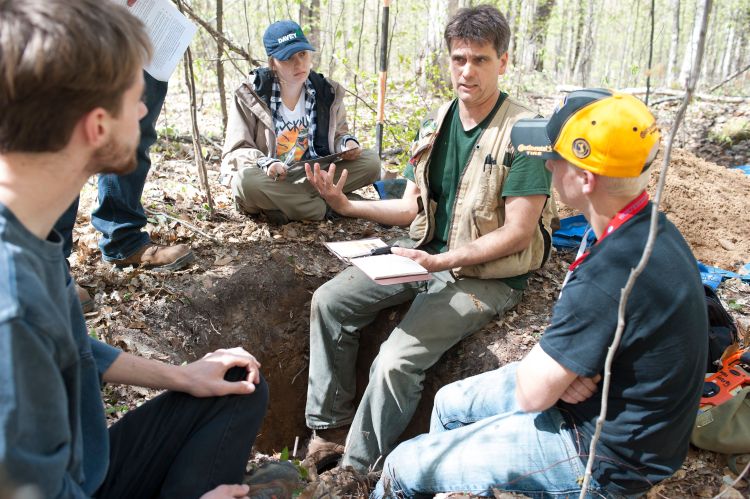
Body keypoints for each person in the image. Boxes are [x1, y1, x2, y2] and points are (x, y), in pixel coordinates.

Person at [372, 88, 709, 498]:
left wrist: (553, 380)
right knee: (448, 402)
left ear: (585, 179)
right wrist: (565, 374)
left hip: (602, 457)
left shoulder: (612, 270)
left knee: (403, 465)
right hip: (608, 409)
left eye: (554, 156)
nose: (546, 162)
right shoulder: (646, 226)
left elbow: (533, 393)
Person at [0, 2, 268, 498]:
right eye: (136, 95)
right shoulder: (13, 308)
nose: (145, 110)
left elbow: (77, 351)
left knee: (235, 385)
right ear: (96, 126)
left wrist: (181, 376)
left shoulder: (32, 232)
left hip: (84, 467)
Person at [302, 5, 557, 473]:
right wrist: (348, 206)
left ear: (503, 61)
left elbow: (519, 232)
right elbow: (413, 207)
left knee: (396, 360)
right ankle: (328, 431)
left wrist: (443, 262)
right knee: (330, 302)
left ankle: (355, 472)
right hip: (425, 256)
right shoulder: (436, 121)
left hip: (484, 276)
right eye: (459, 58)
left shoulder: (526, 133)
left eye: (480, 59)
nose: (467, 70)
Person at [56, 0, 195, 312]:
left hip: (146, 21)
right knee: (67, 132)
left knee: (133, 130)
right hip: (83, 18)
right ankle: (47, 263)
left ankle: (123, 239)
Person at [221, 20, 381, 226]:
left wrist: (347, 145)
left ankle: (286, 206)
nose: (299, 64)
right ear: (272, 63)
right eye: (288, 58)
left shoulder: (326, 91)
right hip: (275, 177)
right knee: (246, 183)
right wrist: (268, 163)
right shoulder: (251, 95)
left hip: (316, 172)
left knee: (371, 161)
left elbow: (340, 134)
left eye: (303, 54)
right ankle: (326, 207)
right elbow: (236, 151)